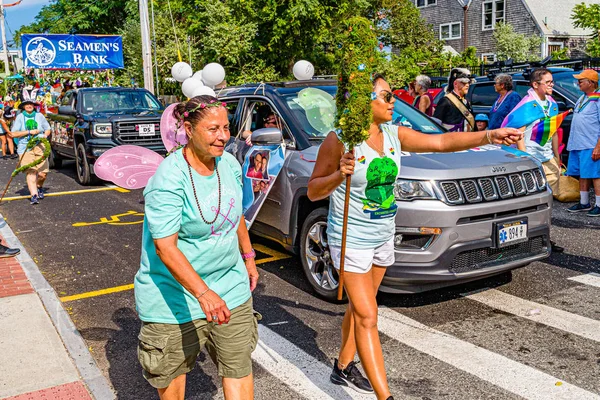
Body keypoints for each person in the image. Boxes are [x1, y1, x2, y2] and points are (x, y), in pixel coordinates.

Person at [307, 74, 521, 400]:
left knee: (360, 307)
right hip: (351, 239)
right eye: (386, 96)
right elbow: (313, 191)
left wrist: (490, 134)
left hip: (382, 235)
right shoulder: (340, 141)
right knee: (368, 316)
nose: (394, 101)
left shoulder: (393, 134)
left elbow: (442, 143)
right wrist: (340, 174)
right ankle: (385, 396)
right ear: (365, 103)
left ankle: (342, 365)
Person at [134, 95, 259, 400]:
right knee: (173, 385)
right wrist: (204, 294)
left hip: (230, 289)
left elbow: (236, 214)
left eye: (226, 128)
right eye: (213, 129)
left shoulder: (228, 163)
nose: (223, 137)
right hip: (174, 300)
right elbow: (165, 248)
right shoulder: (168, 178)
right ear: (189, 129)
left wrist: (248, 257)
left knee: (238, 367)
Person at [504, 68, 564, 252]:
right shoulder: (528, 104)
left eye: (552, 82)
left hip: (546, 157)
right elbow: (518, 132)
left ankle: (544, 237)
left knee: (547, 201)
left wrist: (557, 156)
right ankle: (522, 239)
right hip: (530, 157)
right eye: (548, 82)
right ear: (535, 84)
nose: (552, 85)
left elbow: (552, 131)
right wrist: (525, 158)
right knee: (528, 201)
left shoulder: (551, 103)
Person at [565, 69, 600, 216]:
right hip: (578, 143)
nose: (578, 83)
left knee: (595, 175)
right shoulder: (583, 98)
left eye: (581, 80)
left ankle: (599, 204)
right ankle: (584, 202)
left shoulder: (598, 99)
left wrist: (598, 147)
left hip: (590, 143)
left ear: (591, 83)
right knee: (582, 174)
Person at [9, 100, 51, 205]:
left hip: (40, 145)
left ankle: (39, 187)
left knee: (42, 174)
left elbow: (48, 129)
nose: (29, 106)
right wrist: (28, 132)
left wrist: (45, 135)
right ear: (23, 107)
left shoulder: (39, 116)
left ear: (33, 106)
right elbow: (13, 134)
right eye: (27, 104)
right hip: (25, 147)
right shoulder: (19, 118)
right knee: (31, 172)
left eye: (31, 104)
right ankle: (34, 195)